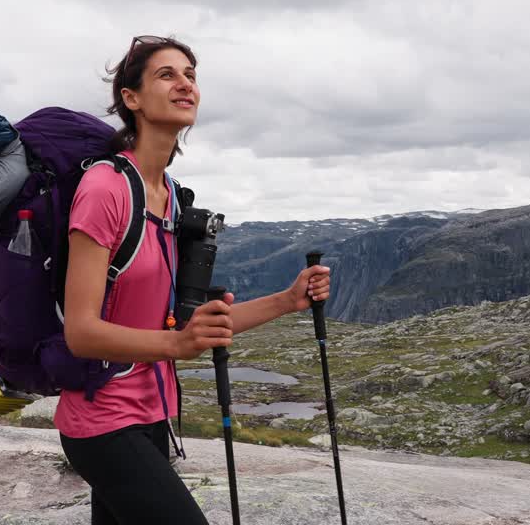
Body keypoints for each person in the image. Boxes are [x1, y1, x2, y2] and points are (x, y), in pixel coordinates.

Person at [58, 35, 331, 525]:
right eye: (167, 74)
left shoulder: (174, 199)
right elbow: (80, 333)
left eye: (191, 75)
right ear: (131, 98)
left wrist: (288, 300)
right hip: (101, 424)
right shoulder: (105, 189)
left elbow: (190, 328)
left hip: (151, 418)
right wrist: (176, 343)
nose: (185, 84)